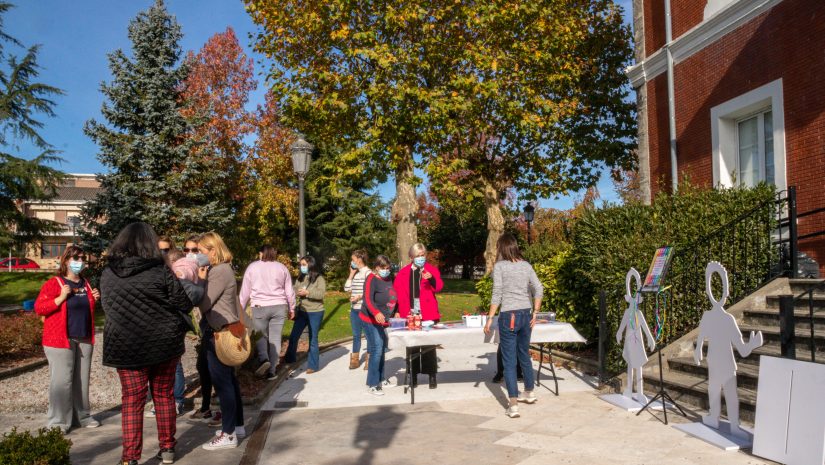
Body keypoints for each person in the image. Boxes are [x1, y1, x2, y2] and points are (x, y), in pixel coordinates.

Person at [101, 222, 195, 465]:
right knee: (163, 396)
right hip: (163, 343)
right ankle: (167, 449)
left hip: (126, 345)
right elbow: (184, 302)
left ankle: (129, 458)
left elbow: (108, 307)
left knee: (132, 400)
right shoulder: (160, 270)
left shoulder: (108, 273)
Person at [34, 245, 100, 433]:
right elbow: (40, 308)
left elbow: (83, 310)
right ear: (65, 260)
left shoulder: (85, 283)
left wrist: (93, 299)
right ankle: (58, 422)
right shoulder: (54, 283)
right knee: (62, 382)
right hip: (59, 340)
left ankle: (83, 416)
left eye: (82, 258)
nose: (79, 262)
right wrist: (61, 297)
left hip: (84, 337)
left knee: (82, 380)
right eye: (75, 258)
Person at [483, 233, 543, 418]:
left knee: (509, 361)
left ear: (502, 248)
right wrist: (536, 312)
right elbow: (539, 288)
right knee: (524, 354)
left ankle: (513, 404)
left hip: (509, 315)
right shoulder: (526, 265)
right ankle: (530, 392)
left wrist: (490, 317)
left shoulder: (500, 267)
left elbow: (497, 293)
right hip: (526, 314)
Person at [197, 232, 247, 450]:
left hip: (220, 332)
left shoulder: (218, 271)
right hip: (226, 329)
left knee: (223, 383)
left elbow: (204, 303)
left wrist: (198, 281)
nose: (198, 256)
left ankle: (228, 435)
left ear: (213, 251)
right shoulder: (225, 269)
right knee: (230, 382)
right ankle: (237, 426)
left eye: (201, 251)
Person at [239, 245, 296, 381]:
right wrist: (292, 308)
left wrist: (240, 308)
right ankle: (272, 371)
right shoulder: (282, 268)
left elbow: (245, 291)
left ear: (261, 253)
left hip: (260, 306)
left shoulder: (253, 267)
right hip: (279, 306)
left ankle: (264, 359)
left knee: (261, 335)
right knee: (275, 338)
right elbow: (289, 290)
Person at [394, 243, 443, 389]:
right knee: (413, 346)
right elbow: (397, 294)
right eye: (418, 256)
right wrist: (398, 311)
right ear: (411, 257)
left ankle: (431, 375)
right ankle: (413, 375)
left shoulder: (431, 270)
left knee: (429, 346)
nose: (421, 258)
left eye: (423, 255)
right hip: (411, 313)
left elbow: (439, 287)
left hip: (428, 312)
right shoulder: (403, 273)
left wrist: (431, 279)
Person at [181, 234, 218, 423]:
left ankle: (211, 408)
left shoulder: (211, 273)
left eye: (195, 250)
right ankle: (207, 407)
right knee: (204, 366)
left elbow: (206, 301)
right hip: (204, 327)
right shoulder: (187, 274)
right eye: (186, 250)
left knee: (210, 367)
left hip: (214, 326)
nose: (190, 254)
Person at [360, 255, 397, 395]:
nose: (386, 271)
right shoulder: (371, 279)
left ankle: (381, 378)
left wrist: (396, 311)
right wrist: (376, 312)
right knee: (376, 348)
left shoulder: (388, 279)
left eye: (388, 268)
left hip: (382, 320)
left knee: (382, 348)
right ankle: (372, 384)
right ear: (376, 267)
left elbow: (392, 295)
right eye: (383, 268)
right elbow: (368, 300)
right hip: (370, 319)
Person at [284, 256, 327, 373]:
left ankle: (312, 366)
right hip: (302, 312)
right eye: (300, 265)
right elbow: (294, 288)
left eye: (303, 264)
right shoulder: (301, 277)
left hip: (316, 312)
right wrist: (294, 292)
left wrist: (308, 293)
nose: (301, 267)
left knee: (313, 339)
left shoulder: (319, 278)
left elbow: (321, 294)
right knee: (294, 336)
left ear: (310, 265)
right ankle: (289, 360)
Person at [344, 249, 371, 369]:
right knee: (356, 335)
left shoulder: (368, 273)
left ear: (359, 260)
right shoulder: (356, 274)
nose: (352, 262)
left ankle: (370, 359)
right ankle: (354, 360)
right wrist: (351, 274)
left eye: (353, 259)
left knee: (368, 335)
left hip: (364, 309)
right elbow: (346, 288)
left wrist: (359, 297)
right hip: (354, 310)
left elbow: (370, 292)